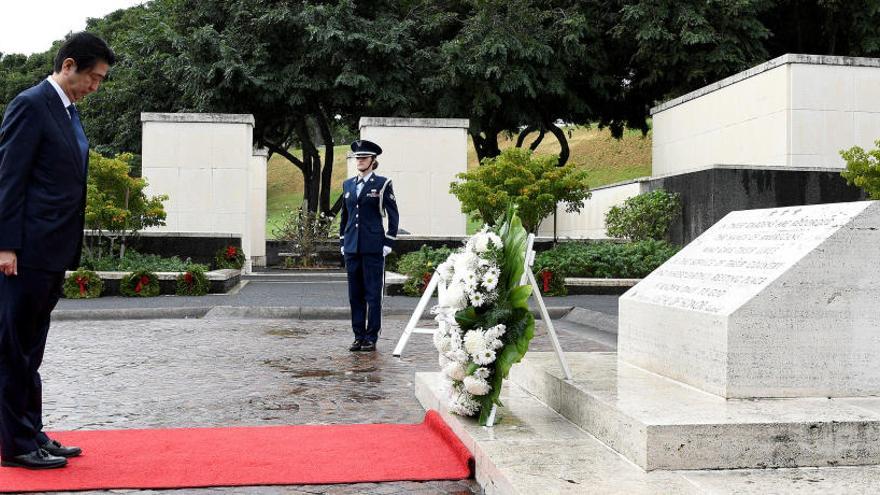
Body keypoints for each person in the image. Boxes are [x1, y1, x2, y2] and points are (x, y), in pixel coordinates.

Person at [0, 32, 115, 470]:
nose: (95, 87)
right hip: (24, 252)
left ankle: (31, 432)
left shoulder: (68, 113)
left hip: (51, 251)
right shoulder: (31, 105)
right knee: (14, 349)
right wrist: (5, 245)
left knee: (32, 348)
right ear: (69, 66)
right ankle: (15, 445)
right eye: (94, 77)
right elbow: (10, 178)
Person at [339, 140, 399, 352]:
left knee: (373, 294)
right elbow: (344, 217)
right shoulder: (348, 185)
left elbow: (393, 215)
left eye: (364, 158)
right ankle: (358, 335)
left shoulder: (382, 184)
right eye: (358, 157)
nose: (360, 161)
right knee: (355, 294)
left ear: (373, 161)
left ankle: (371, 336)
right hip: (352, 246)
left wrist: (389, 241)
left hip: (374, 246)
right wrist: (342, 241)